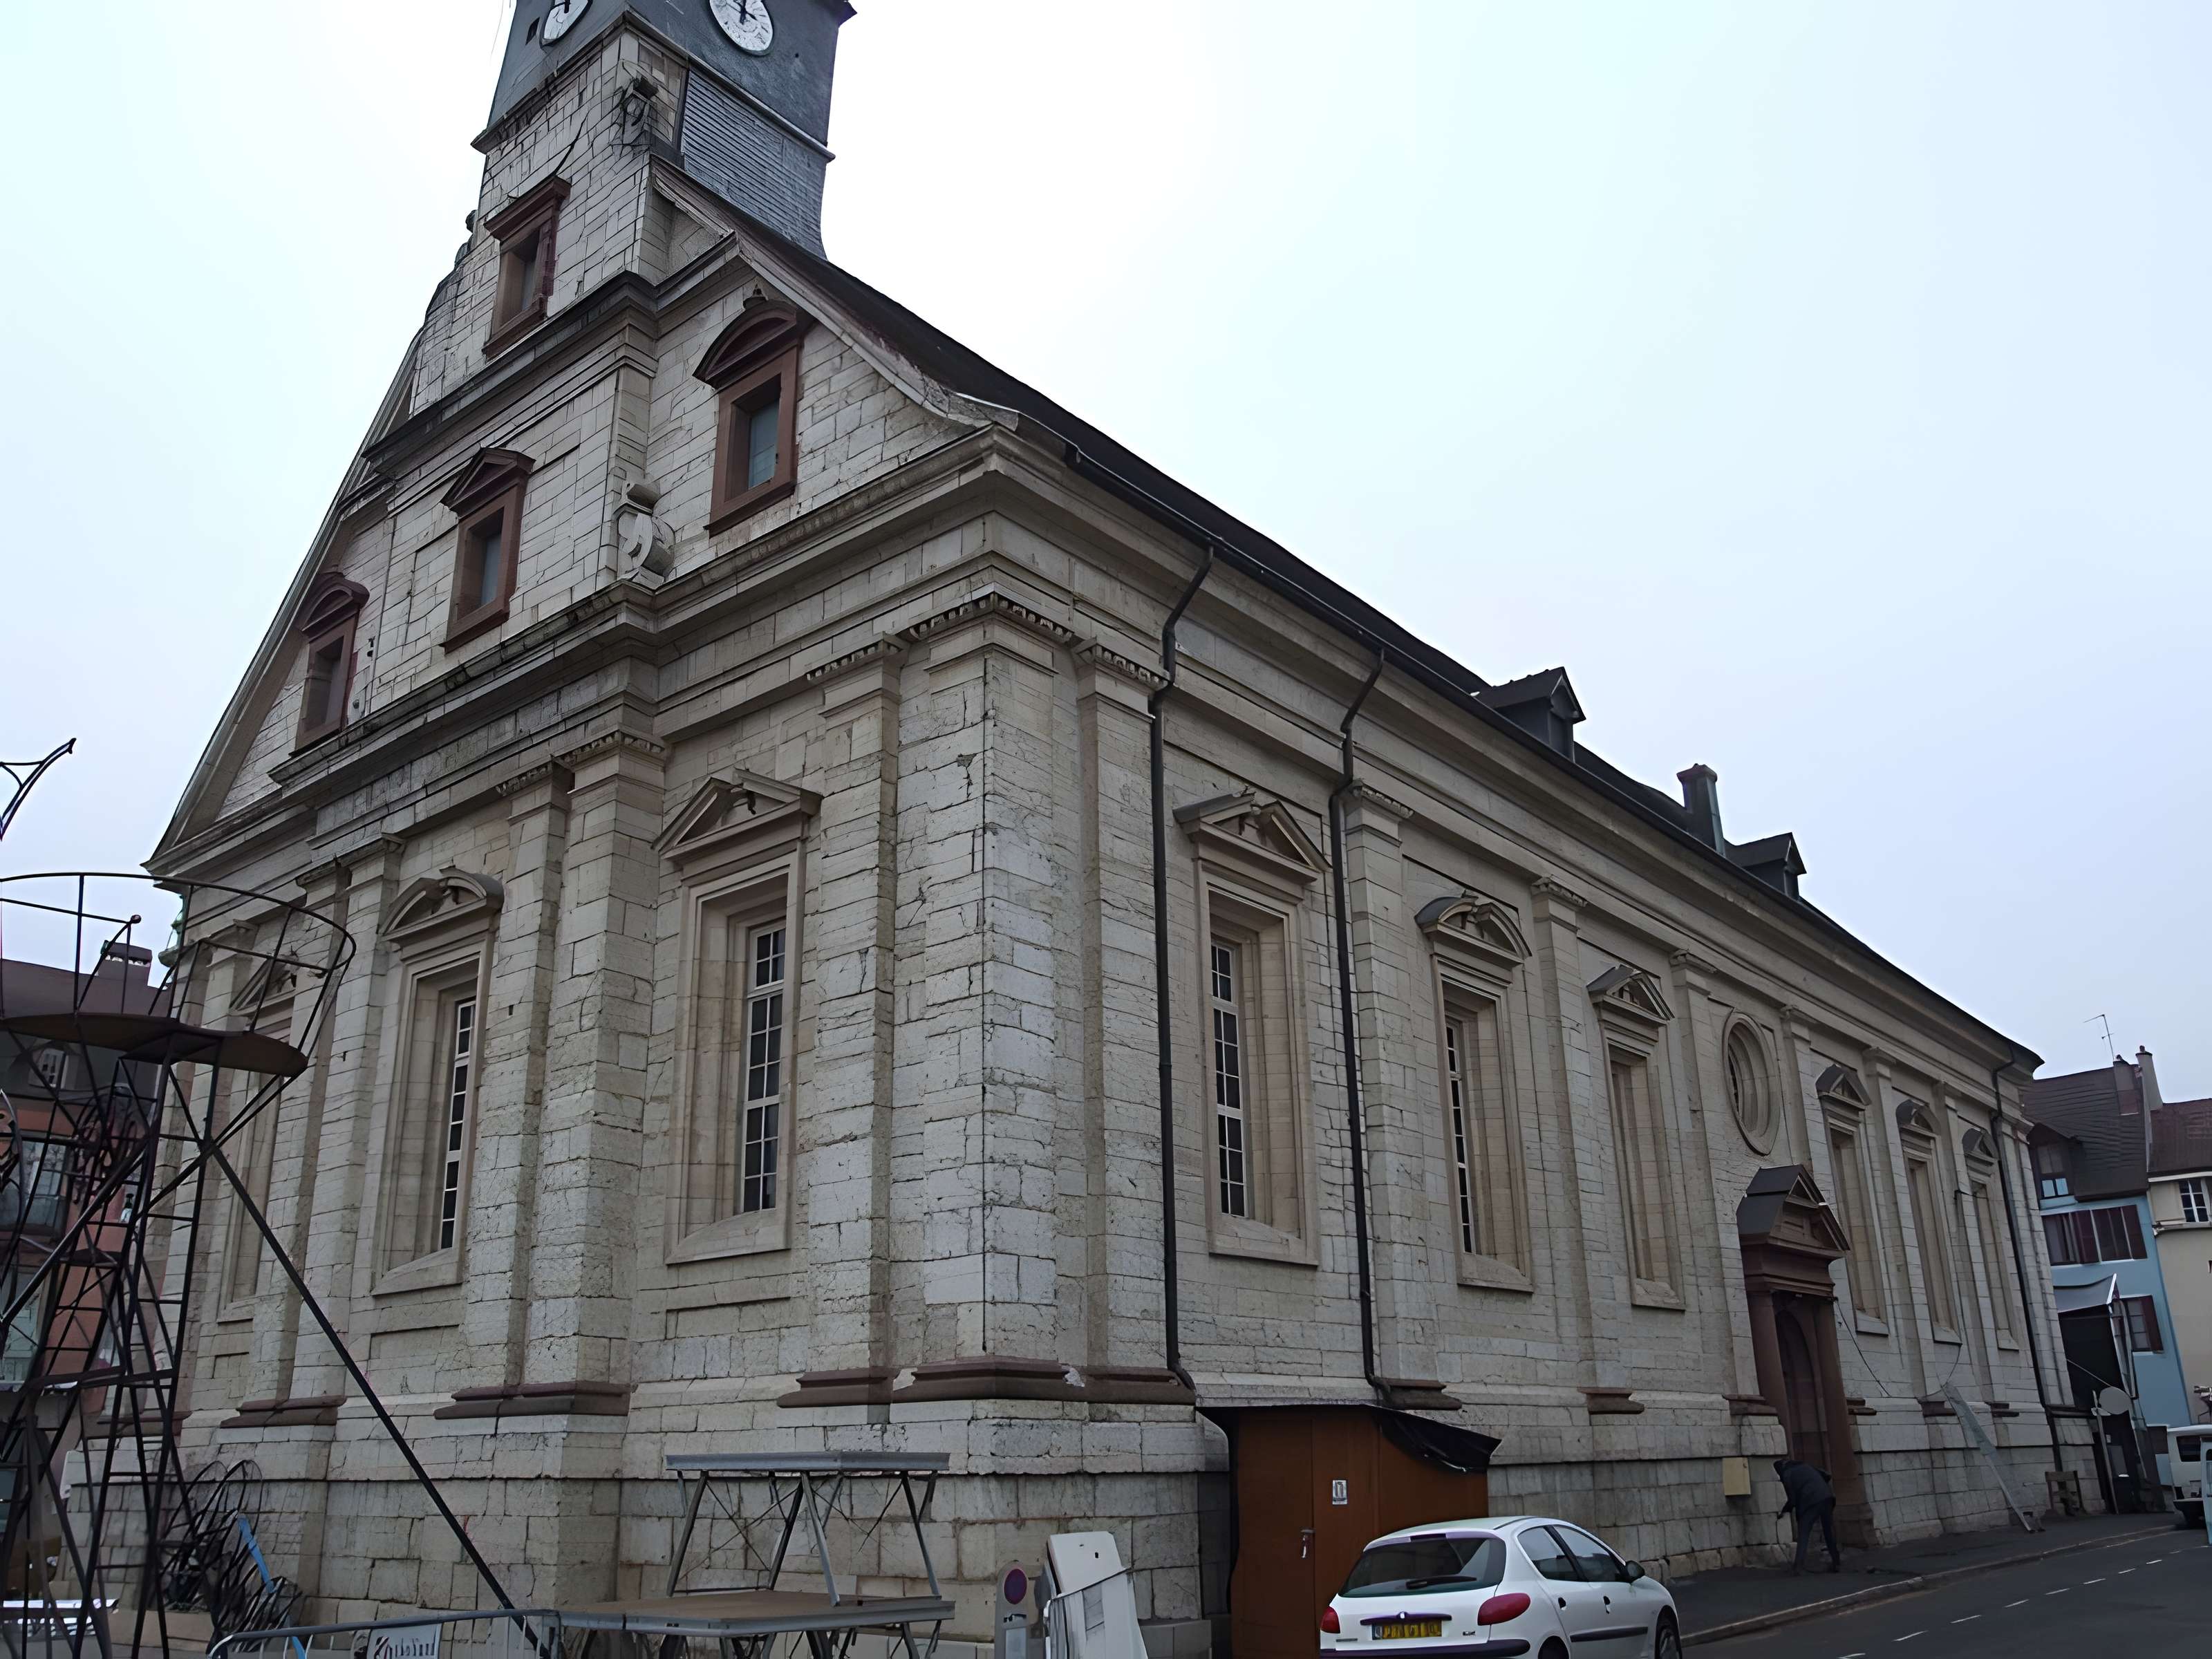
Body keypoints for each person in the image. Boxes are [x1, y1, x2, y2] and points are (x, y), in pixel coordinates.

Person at [1774, 1456, 1841, 1573]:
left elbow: (1792, 1499)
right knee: (1828, 1531)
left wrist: (1785, 1511)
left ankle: (1798, 1566)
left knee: (1804, 1532)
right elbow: (1826, 1475)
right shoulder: (1804, 1465)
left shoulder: (1787, 1474)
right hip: (1827, 1497)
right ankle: (1836, 1562)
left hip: (1812, 1501)